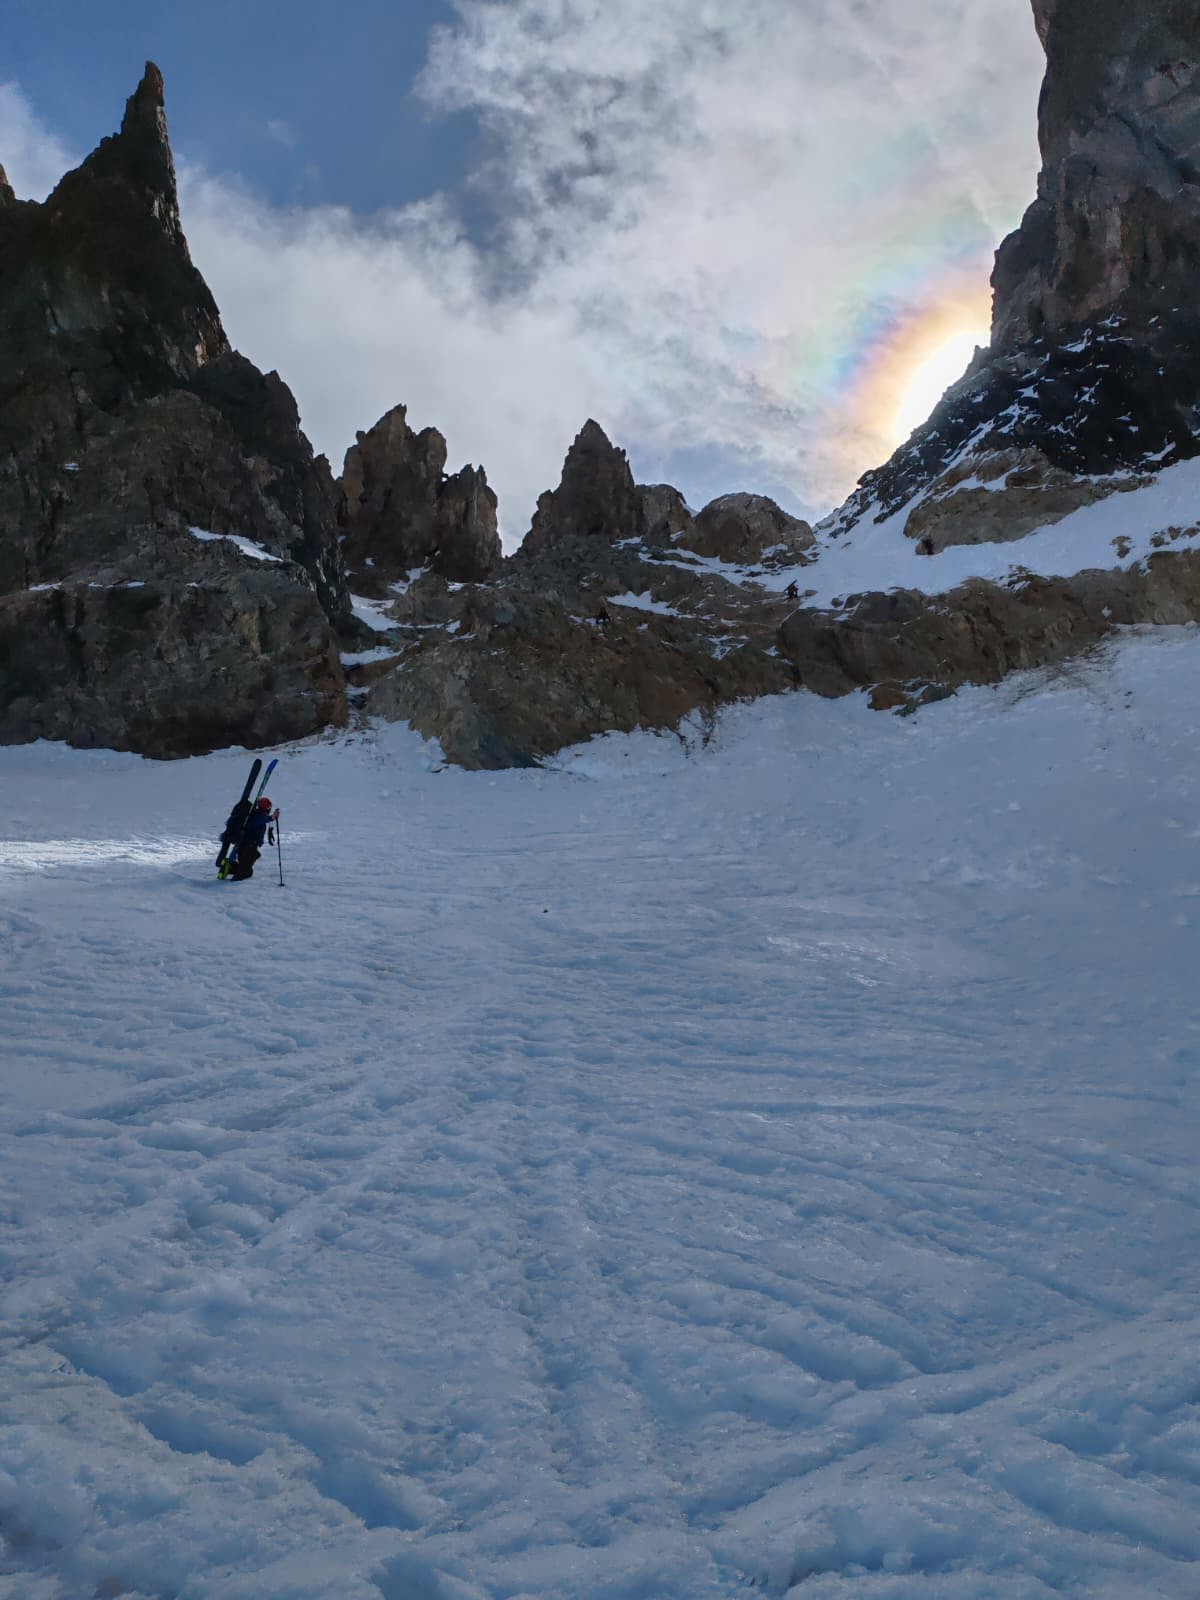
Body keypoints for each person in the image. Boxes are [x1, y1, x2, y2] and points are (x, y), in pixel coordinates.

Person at [228, 796, 278, 881]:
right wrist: (272, 817)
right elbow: (264, 819)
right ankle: (234, 871)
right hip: (249, 847)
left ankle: (232, 868)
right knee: (246, 872)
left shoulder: (254, 814)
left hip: (243, 846)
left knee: (249, 865)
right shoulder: (259, 815)